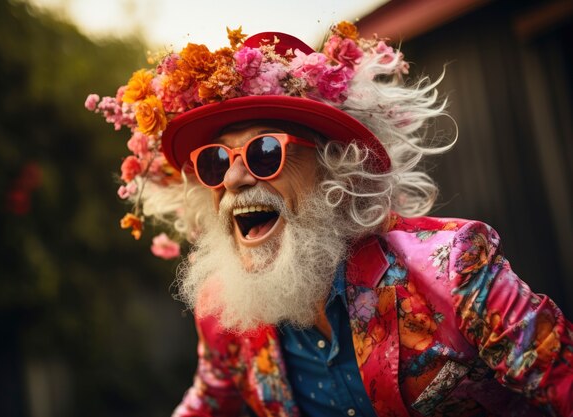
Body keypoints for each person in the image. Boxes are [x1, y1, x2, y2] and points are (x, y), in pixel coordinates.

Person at [87, 22, 573, 417]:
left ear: (333, 167)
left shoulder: (454, 265)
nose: (233, 179)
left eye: (263, 151)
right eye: (214, 162)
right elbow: (209, 402)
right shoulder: (221, 311)